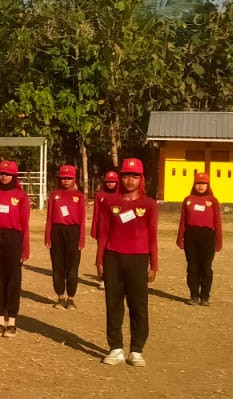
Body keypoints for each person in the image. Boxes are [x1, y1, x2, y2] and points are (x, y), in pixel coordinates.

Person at [95, 157, 158, 368]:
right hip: (113, 257)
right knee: (113, 304)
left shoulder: (148, 205)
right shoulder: (111, 203)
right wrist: (100, 261)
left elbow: (152, 236)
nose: (130, 181)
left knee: (138, 305)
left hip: (138, 258)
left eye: (134, 176)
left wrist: (154, 264)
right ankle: (116, 348)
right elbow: (103, 234)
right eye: (126, 176)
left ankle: (137, 350)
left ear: (141, 178)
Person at [0, 160, 30, 335]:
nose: (4, 177)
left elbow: (25, 225)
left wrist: (25, 250)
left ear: (14, 176)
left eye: (8, 174)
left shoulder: (21, 197)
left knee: (13, 281)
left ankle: (12, 322)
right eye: (1, 173)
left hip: (13, 239)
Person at [176, 171, 222, 306]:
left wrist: (218, 241)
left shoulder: (212, 201)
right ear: (194, 184)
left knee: (206, 268)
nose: (200, 186)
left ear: (208, 185)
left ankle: (205, 297)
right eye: (198, 183)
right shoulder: (188, 200)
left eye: (203, 184)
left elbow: (217, 222)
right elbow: (183, 220)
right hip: (191, 235)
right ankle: (194, 296)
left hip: (207, 236)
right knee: (192, 267)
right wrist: (180, 238)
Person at [44, 164, 86, 310]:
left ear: (74, 179)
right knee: (58, 267)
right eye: (63, 178)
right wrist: (47, 236)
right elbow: (49, 217)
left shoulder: (79, 197)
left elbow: (82, 220)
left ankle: (71, 297)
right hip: (57, 231)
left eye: (69, 178)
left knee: (72, 268)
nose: (66, 181)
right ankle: (60, 297)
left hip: (73, 232)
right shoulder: (55, 195)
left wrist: (81, 239)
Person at [90, 169, 119, 242]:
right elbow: (96, 213)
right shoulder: (100, 195)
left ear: (117, 182)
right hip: (103, 228)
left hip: (117, 228)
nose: (110, 184)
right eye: (108, 182)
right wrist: (94, 230)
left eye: (112, 182)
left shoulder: (121, 195)